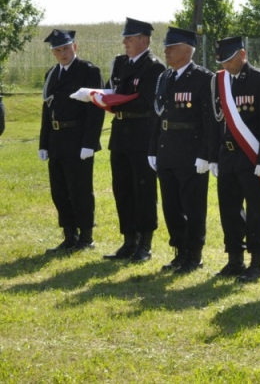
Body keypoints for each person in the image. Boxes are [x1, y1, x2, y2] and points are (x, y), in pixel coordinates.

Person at [209, 36, 260, 283]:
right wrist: (213, 156)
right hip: (227, 155)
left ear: (242, 55)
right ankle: (235, 259)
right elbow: (216, 121)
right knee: (229, 209)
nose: (225, 65)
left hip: (251, 157)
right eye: (221, 61)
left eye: (229, 60)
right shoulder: (219, 81)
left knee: (256, 210)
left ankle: (257, 262)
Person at [100, 18, 166, 262]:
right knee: (123, 188)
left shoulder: (154, 67)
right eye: (125, 38)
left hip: (142, 134)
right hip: (120, 133)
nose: (125, 43)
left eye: (129, 38)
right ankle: (129, 241)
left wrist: (114, 101)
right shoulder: (119, 63)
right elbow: (110, 89)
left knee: (144, 189)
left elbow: (145, 102)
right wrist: (98, 96)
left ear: (144, 40)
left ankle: (145, 244)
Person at [150, 26, 212, 274]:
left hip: (191, 151)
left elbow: (209, 121)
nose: (166, 51)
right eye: (166, 47)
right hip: (167, 149)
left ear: (187, 50)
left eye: (172, 47)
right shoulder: (165, 77)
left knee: (193, 206)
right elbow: (158, 116)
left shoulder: (203, 78)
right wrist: (153, 149)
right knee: (171, 205)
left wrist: (205, 153)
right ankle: (180, 251)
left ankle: (194, 255)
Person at [38, 29, 105, 253]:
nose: (63, 53)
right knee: (59, 191)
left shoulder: (89, 71)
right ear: (53, 53)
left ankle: (86, 237)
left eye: (66, 48)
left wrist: (89, 143)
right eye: (58, 50)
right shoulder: (51, 74)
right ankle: (69, 236)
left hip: (78, 139)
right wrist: (43, 143)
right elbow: (47, 110)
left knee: (80, 190)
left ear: (75, 47)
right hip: (57, 140)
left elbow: (96, 110)